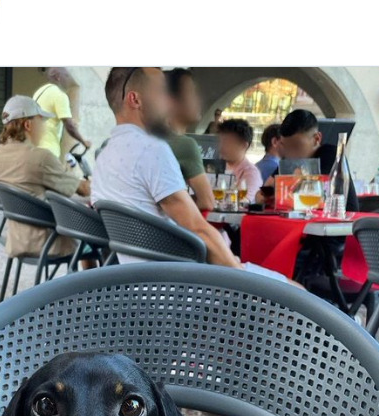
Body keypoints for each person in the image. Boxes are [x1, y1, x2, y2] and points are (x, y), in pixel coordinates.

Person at [92, 67, 289, 282]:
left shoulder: (104, 156)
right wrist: (243, 280)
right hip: (182, 282)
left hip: (139, 279)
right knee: (296, 292)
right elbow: (197, 227)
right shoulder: (152, 149)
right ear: (135, 99)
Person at [0, 95, 89, 261]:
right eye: (41, 120)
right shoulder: (41, 157)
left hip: (17, 241)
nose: (44, 126)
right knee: (96, 238)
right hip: (49, 242)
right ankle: (94, 279)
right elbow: (83, 189)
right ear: (28, 125)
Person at [279, 109, 358, 211]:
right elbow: (270, 185)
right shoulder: (289, 160)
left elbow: (314, 188)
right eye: (286, 147)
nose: (290, 153)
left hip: (339, 218)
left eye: (295, 147)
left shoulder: (331, 155)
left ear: (316, 139)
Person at [164, 68, 217, 212]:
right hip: (165, 225)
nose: (198, 100)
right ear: (170, 101)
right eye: (191, 93)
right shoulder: (184, 145)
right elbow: (207, 201)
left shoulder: (142, 138)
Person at [33, 68, 91, 159]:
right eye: (66, 76)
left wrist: (69, 121)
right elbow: (69, 126)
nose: (68, 80)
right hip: (48, 151)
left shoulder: (39, 92)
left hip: (34, 149)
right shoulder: (60, 95)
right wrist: (84, 142)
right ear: (58, 77)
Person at [217, 119, 263, 202]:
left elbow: (244, 202)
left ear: (244, 145)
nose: (221, 147)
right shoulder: (214, 167)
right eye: (221, 142)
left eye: (228, 143)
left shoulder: (251, 174)